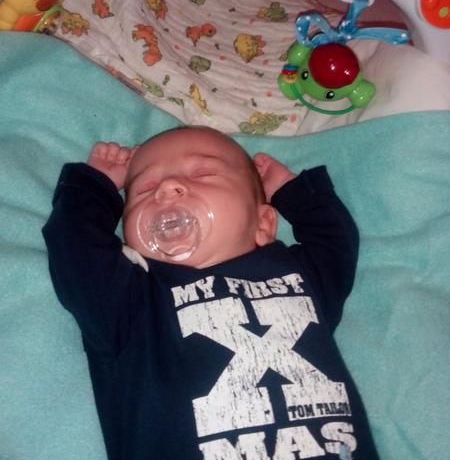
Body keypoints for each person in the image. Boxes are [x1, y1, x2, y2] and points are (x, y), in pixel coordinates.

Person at [42, 126, 379, 460]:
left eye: (203, 174)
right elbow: (76, 249)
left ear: (263, 224)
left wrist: (292, 192)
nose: (166, 188)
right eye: (144, 189)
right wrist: (95, 187)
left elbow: (334, 245)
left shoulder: (297, 276)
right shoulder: (132, 298)